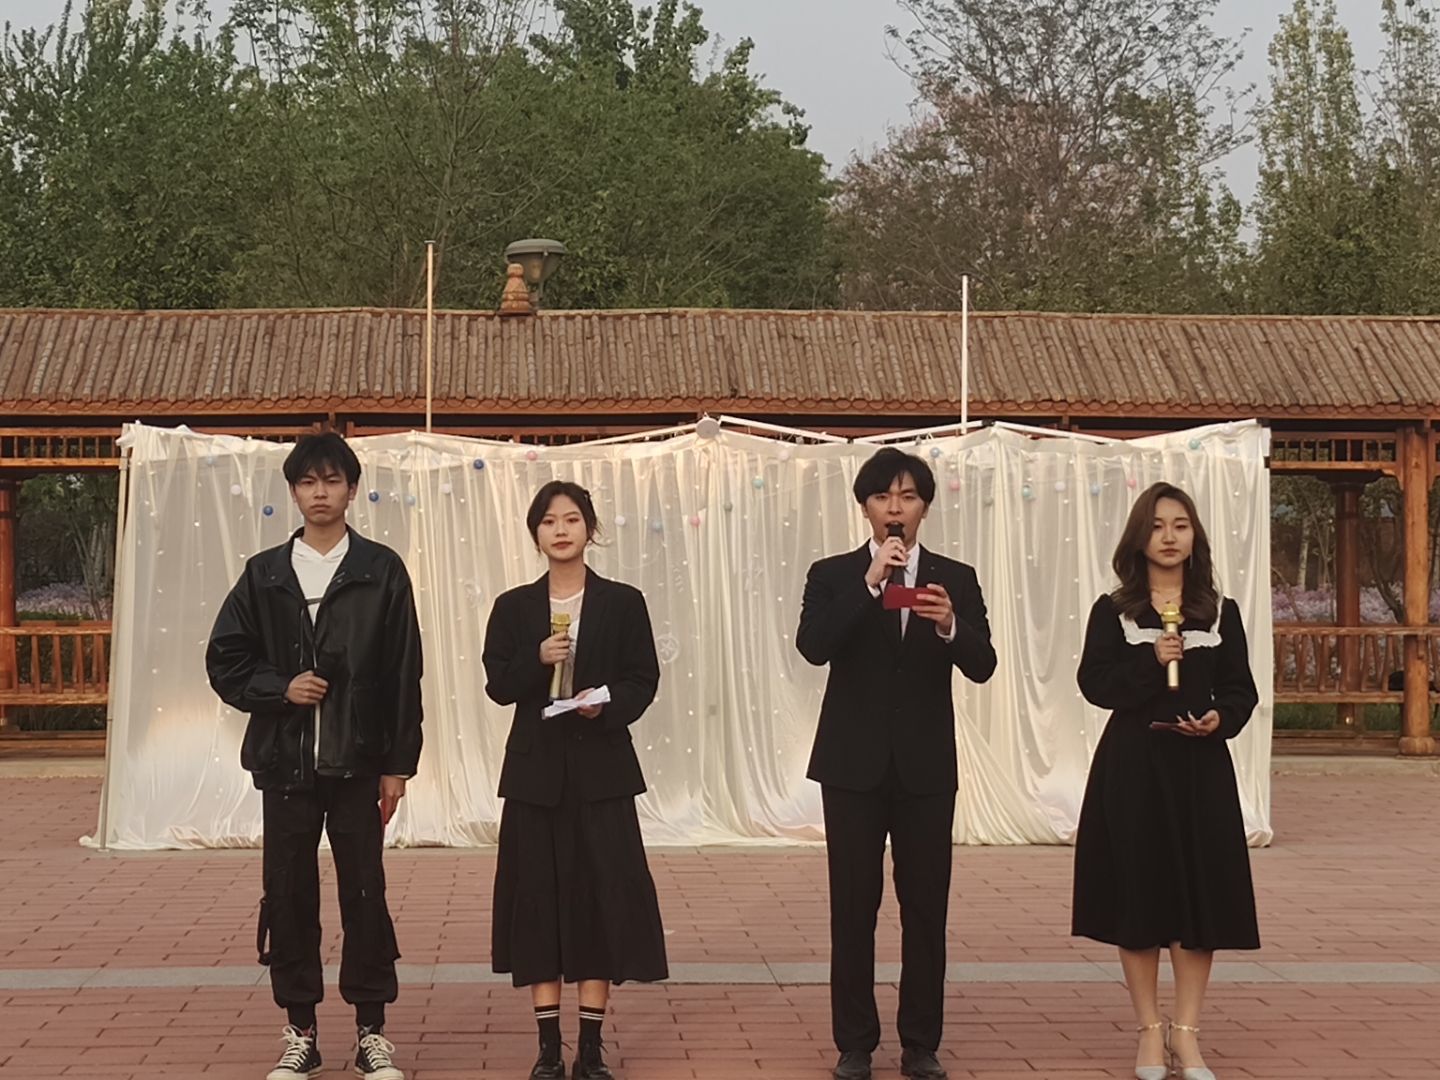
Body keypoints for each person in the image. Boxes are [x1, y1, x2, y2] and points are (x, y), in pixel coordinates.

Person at [206, 432, 423, 1080]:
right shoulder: (265, 574)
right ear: (293, 492)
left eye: (332, 481)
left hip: (359, 763)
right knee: (289, 895)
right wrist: (281, 688)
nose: (320, 493)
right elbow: (225, 659)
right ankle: (300, 1032)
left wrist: (398, 765)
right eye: (308, 482)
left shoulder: (381, 570)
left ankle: (371, 1033)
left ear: (352, 490)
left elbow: (404, 671)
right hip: (285, 764)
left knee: (365, 893)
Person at [796, 447, 997, 1080]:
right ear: (865, 507)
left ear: (925, 508)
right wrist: (869, 583)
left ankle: (920, 1042)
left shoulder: (954, 577)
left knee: (925, 909)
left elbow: (983, 664)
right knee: (853, 907)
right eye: (884, 496)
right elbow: (813, 646)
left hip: (926, 768)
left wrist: (950, 625)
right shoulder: (834, 574)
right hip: (851, 767)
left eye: (908, 497)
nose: (896, 508)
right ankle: (855, 1043)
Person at [1072, 482, 1260, 1080]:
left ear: (1195, 535)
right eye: (1157, 526)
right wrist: (1150, 662)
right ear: (1139, 537)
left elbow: (1241, 688)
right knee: (1140, 895)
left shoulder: (1220, 610)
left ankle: (1188, 1032)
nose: (1170, 537)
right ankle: (1149, 1032)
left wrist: (1220, 718)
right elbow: (1094, 683)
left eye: (1181, 525)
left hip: (1199, 770)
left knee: (1198, 898)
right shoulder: (1115, 610)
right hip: (1134, 766)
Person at [482, 480, 667, 1080]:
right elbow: (498, 684)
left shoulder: (623, 601)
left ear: (590, 528)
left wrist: (603, 704)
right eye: (548, 521)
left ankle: (590, 1047)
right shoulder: (514, 606)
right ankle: (547, 1048)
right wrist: (535, 660)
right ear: (535, 533)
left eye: (571, 519)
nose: (560, 530)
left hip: (602, 773)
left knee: (599, 901)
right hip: (535, 776)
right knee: (537, 903)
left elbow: (642, 678)